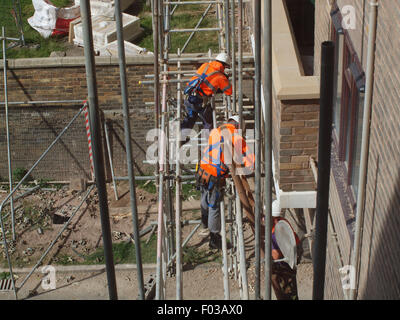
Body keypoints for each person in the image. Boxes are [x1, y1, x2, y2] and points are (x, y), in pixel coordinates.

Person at [195, 115, 254, 249]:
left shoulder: (215, 131)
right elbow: (251, 164)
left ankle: (204, 223)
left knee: (204, 198)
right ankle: (214, 238)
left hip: (202, 171)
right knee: (214, 206)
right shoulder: (236, 137)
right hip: (215, 177)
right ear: (238, 127)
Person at [180, 52, 232, 144]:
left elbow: (204, 81)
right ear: (224, 65)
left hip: (189, 96)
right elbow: (229, 91)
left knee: (191, 117)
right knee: (208, 121)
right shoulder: (220, 77)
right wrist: (226, 79)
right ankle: (210, 143)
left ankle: (181, 138)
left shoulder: (205, 65)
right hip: (200, 101)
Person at [270, 202, 303, 300]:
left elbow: (275, 256)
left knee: (287, 291)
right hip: (293, 255)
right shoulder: (283, 222)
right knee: (292, 287)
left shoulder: (275, 233)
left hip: (286, 262)